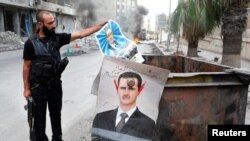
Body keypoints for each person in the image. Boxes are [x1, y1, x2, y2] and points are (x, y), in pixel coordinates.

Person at [22, 10, 106, 141]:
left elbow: (80, 34)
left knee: (56, 117)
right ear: (40, 24)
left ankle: (57, 138)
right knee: (39, 123)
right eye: (50, 23)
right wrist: (26, 88)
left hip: (55, 87)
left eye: (54, 22)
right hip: (38, 89)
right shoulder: (30, 43)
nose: (53, 25)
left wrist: (98, 27)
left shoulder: (57, 39)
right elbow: (26, 67)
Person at [91, 71, 155, 141]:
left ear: (139, 91)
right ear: (117, 89)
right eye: (123, 88)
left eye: (131, 89)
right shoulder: (100, 118)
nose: (126, 93)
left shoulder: (148, 124)